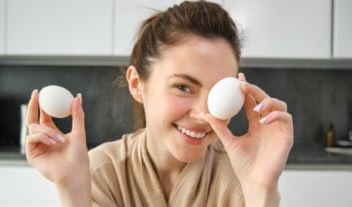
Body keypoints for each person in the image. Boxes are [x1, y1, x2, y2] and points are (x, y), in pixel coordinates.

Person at [25, 1, 293, 206]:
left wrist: (261, 189)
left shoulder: (240, 175)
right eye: (183, 87)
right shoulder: (101, 172)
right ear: (136, 84)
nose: (204, 114)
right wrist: (72, 191)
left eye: (218, 92)